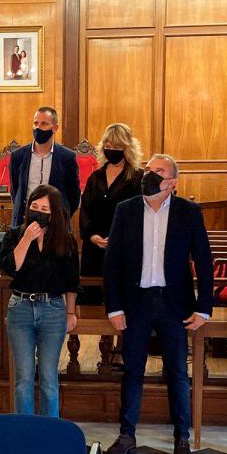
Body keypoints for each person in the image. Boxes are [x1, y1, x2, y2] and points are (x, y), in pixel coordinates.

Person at [102, 154, 213, 454]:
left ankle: (182, 438)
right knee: (132, 370)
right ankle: (127, 435)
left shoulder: (188, 212)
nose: (150, 174)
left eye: (159, 171)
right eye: (149, 169)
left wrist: (204, 307)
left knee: (177, 371)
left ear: (172, 182)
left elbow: (204, 260)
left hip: (173, 303)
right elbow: (112, 262)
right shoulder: (126, 209)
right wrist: (114, 307)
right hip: (135, 302)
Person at [0, 106, 79, 369]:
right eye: (36, 123)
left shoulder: (67, 157)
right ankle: (5, 350)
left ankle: (47, 347)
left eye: (44, 124)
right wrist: (27, 222)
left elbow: (73, 195)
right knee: (16, 280)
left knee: (50, 283)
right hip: (25, 228)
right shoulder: (19, 155)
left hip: (54, 230)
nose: (39, 128)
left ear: (55, 127)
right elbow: (17, 191)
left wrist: (54, 222)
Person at [1, 185, 79, 416]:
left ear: (54, 213)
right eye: (34, 207)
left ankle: (49, 428)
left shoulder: (66, 240)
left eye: (45, 209)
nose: (38, 212)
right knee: (23, 376)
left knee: (48, 376)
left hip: (52, 308)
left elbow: (71, 282)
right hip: (21, 307)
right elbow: (10, 267)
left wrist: (70, 312)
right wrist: (26, 239)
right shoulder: (14, 235)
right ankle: (25, 428)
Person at [79, 123, 144, 370]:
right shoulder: (95, 177)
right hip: (95, 248)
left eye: (116, 146)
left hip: (125, 249)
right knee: (95, 298)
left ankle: (119, 350)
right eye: (107, 145)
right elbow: (85, 211)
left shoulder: (137, 178)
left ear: (127, 148)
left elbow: (140, 215)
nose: (111, 149)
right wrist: (92, 236)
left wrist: (119, 239)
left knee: (122, 298)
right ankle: (104, 347)